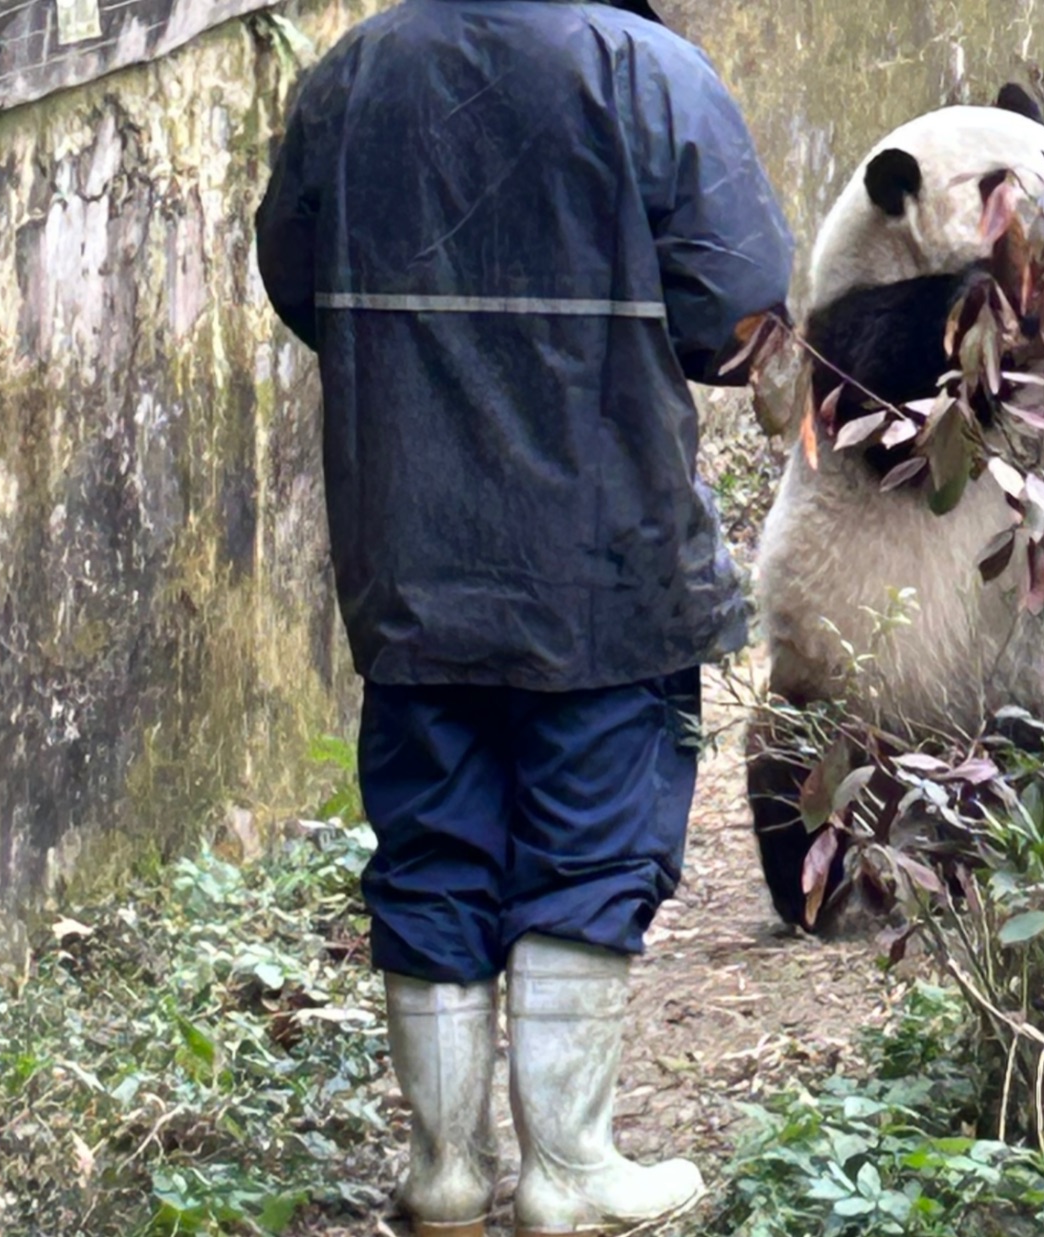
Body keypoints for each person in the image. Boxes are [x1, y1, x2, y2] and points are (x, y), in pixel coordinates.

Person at [253, 0, 793, 1231]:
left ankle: (445, 1172)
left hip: (408, 545)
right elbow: (740, 310)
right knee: (592, 842)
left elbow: (297, 278)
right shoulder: (651, 73)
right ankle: (569, 1171)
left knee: (433, 841)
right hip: (601, 560)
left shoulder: (351, 74)